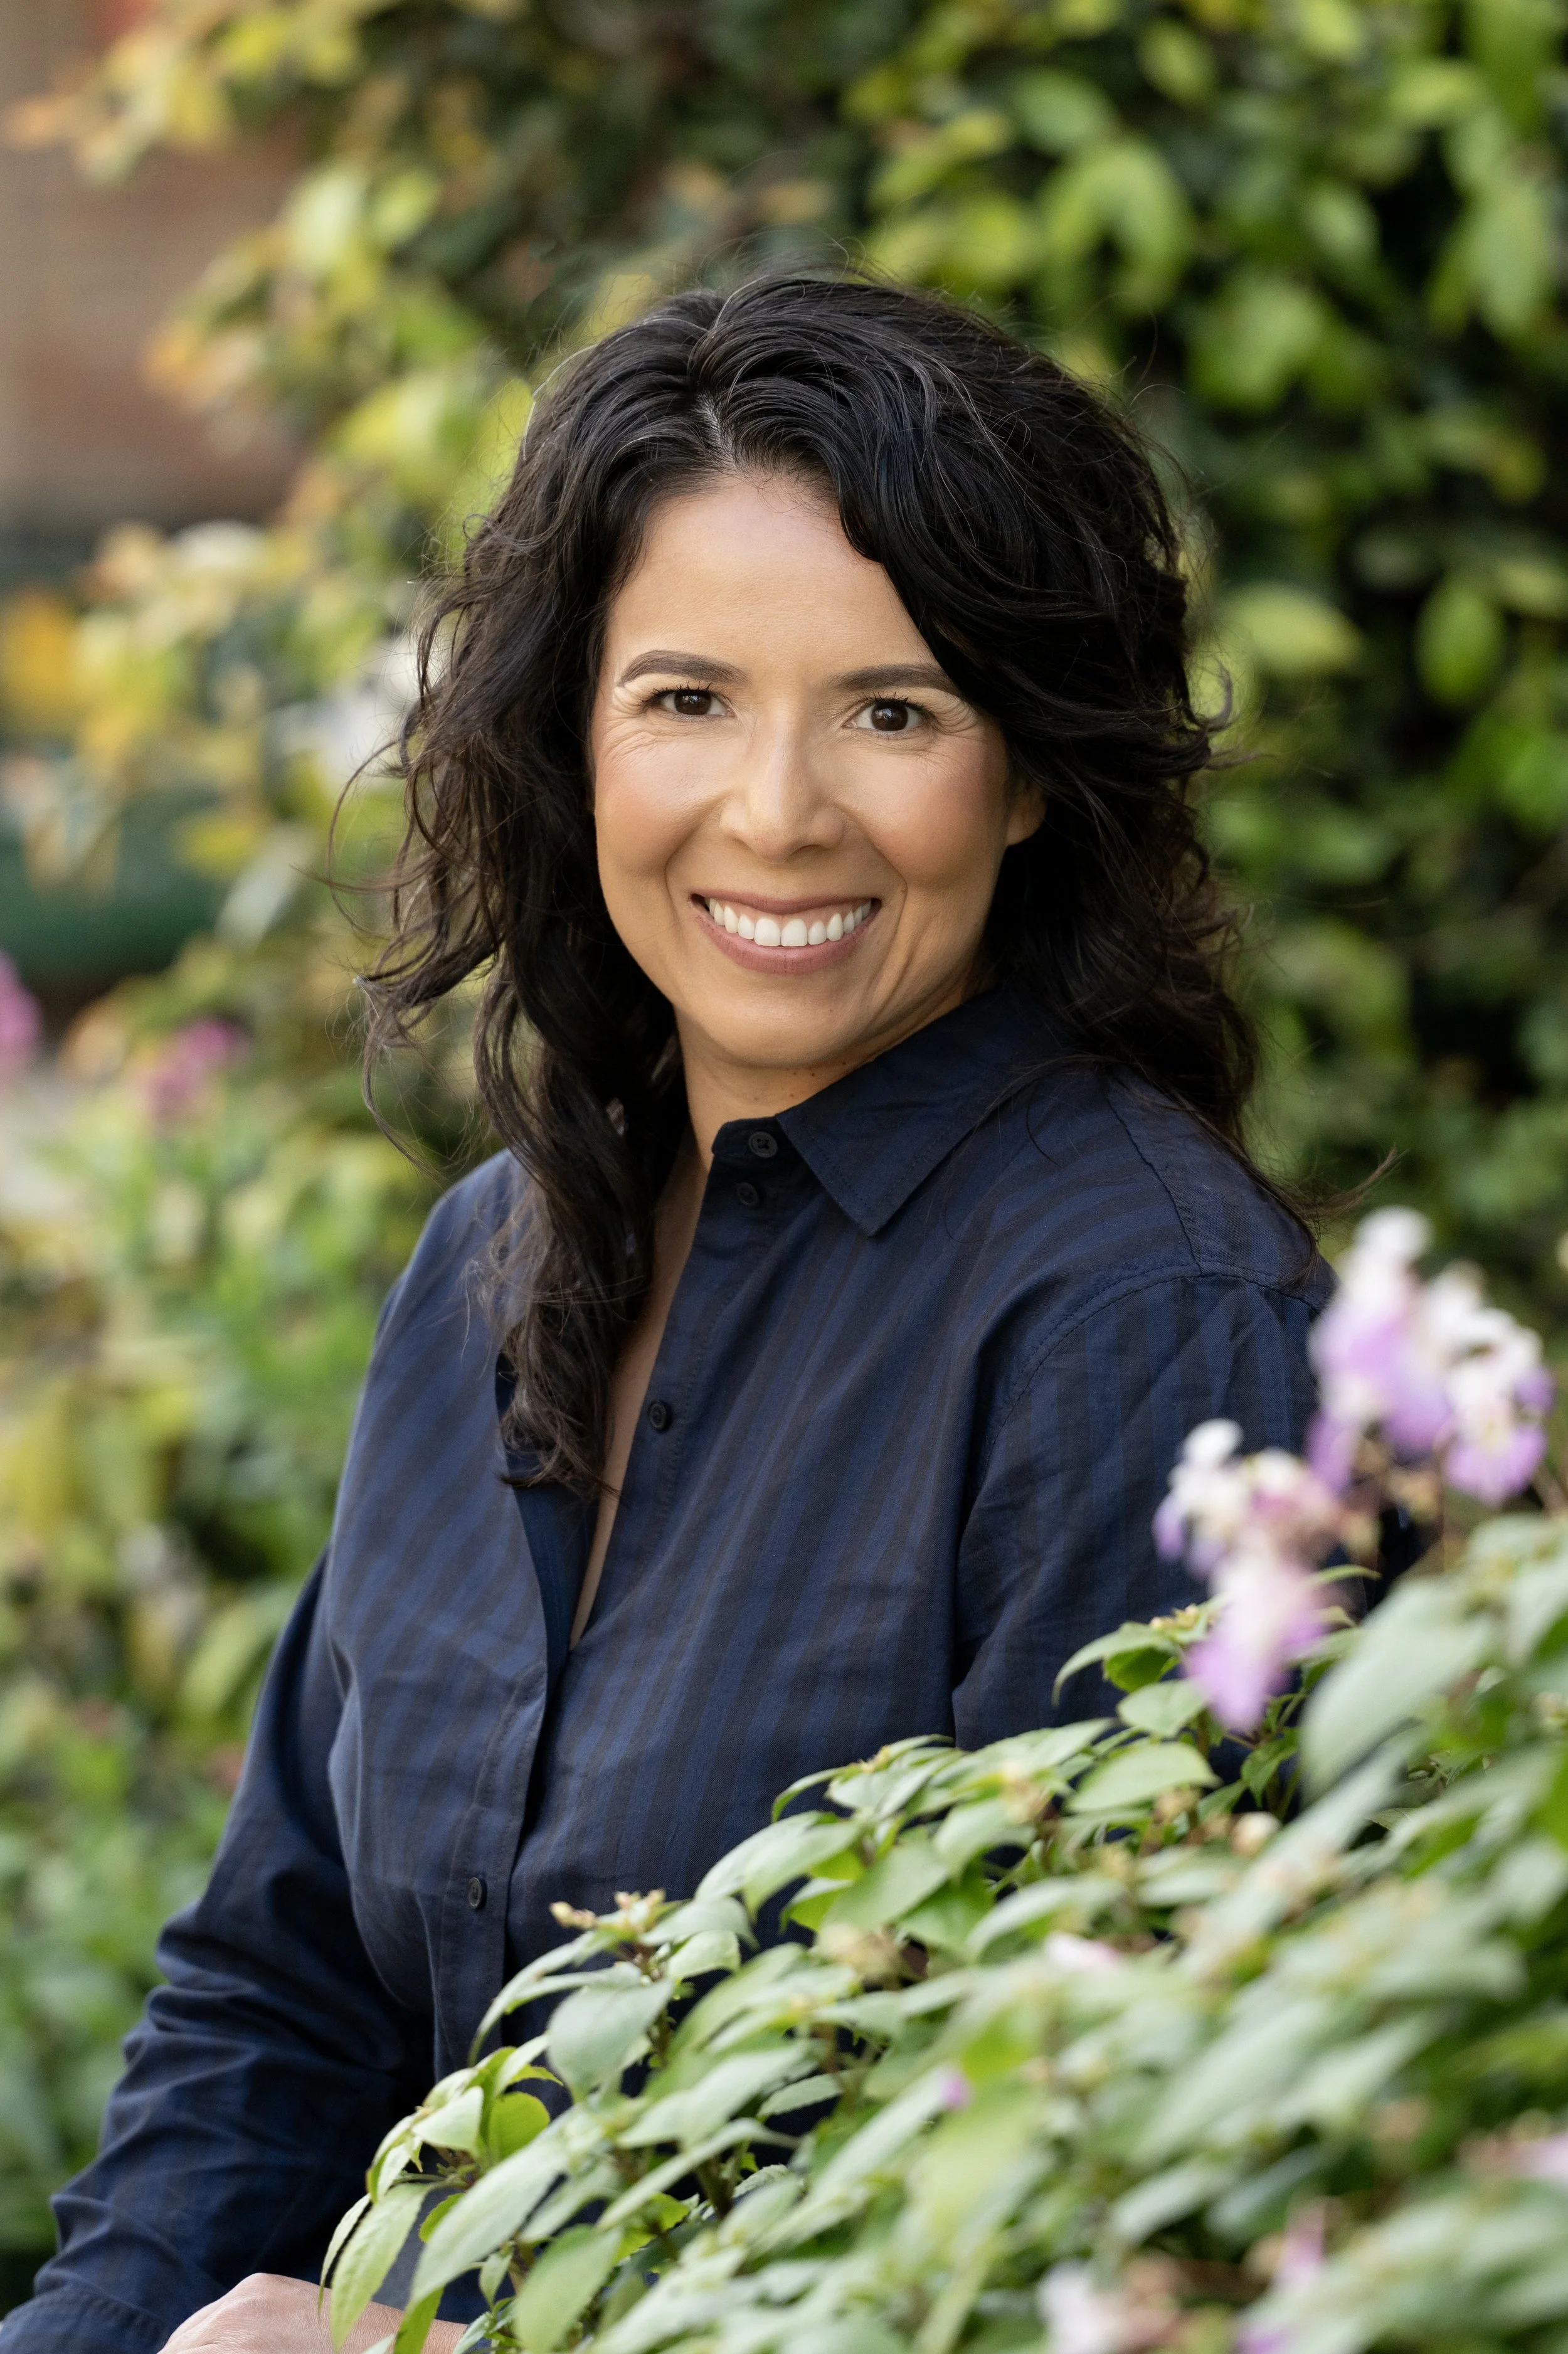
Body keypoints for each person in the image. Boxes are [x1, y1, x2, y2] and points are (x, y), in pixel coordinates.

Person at [3, 276, 1328, 2354]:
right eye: (686, 699)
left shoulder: (1144, 1322)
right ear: (573, 737)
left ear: (1032, 775)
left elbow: (1092, 2169)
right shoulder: (486, 1264)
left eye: (893, 712)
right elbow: (285, 1994)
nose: (777, 811)